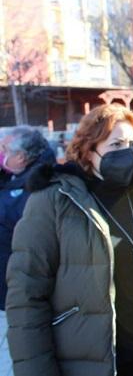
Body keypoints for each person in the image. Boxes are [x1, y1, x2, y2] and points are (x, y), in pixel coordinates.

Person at [5, 104, 133, 376]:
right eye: (115, 144)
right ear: (88, 150)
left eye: (131, 144)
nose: (126, 153)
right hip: (90, 362)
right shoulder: (54, 202)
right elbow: (26, 297)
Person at [0, 126, 54, 312]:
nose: (1, 153)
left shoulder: (37, 185)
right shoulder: (9, 177)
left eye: (4, 150)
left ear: (21, 157)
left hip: (15, 288)